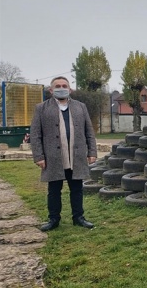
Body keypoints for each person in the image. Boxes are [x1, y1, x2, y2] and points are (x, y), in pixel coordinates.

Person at [30, 76, 97, 231]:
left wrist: (92, 151)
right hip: (53, 158)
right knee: (53, 190)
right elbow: (35, 134)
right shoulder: (42, 108)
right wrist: (39, 156)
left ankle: (78, 218)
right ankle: (53, 219)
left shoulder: (81, 107)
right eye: (58, 86)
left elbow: (89, 131)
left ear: (70, 89)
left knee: (77, 189)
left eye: (64, 85)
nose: (62, 88)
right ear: (51, 90)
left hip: (76, 157)